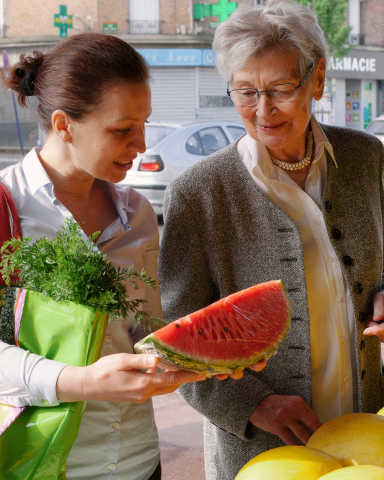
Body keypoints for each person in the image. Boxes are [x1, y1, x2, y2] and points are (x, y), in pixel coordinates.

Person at [159, 1, 384, 479]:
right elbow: (177, 338)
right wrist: (253, 404)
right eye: (245, 92)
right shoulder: (200, 191)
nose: (262, 110)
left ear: (317, 79)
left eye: (280, 89)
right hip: (263, 451)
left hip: (366, 428)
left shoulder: (366, 158)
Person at [0, 33, 211, 480]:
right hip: (39, 462)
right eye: (122, 129)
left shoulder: (134, 212)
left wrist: (205, 357)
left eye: (144, 124)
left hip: (137, 460)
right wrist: (83, 382)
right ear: (63, 125)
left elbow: (144, 330)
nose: (141, 142)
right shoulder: (7, 206)